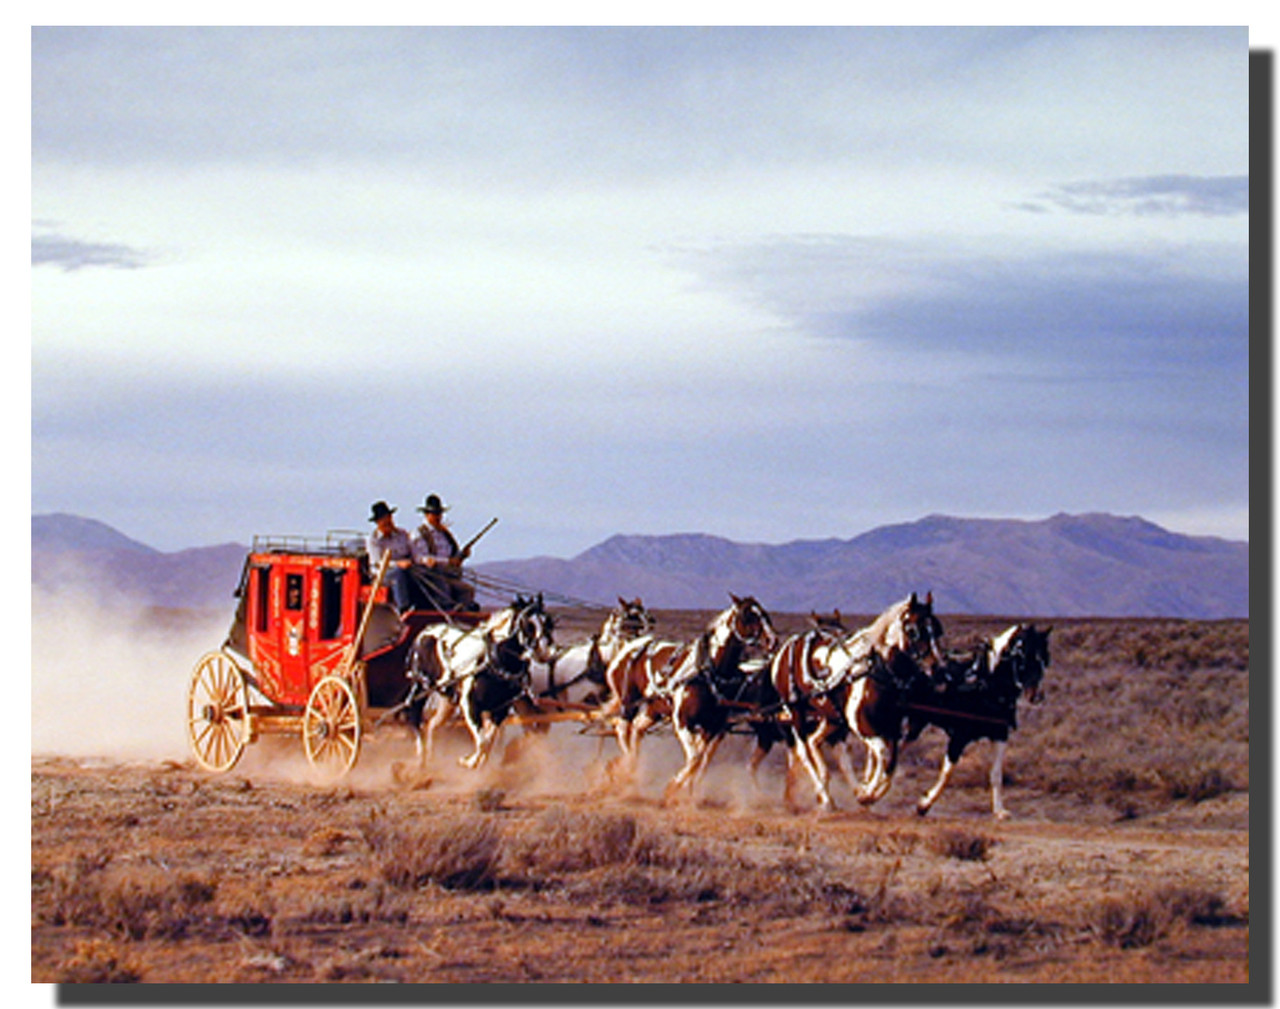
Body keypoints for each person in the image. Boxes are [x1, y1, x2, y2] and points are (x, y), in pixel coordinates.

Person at [410, 493, 477, 611]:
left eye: (439, 513)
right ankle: (447, 607)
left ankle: (463, 612)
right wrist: (448, 561)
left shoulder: (445, 534)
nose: (438, 517)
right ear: (426, 515)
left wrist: (462, 556)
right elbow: (422, 558)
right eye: (434, 514)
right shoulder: (419, 534)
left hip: (449, 574)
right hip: (430, 576)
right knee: (442, 581)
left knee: (467, 589)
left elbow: (453, 555)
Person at [366, 500, 418, 614]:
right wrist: (398, 564)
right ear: (378, 522)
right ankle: (403, 608)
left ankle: (424, 606)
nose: (387, 521)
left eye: (388, 518)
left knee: (420, 572)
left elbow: (412, 552)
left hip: (406, 568)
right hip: (382, 573)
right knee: (398, 574)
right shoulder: (373, 540)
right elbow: (377, 562)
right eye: (383, 519)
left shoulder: (402, 534)